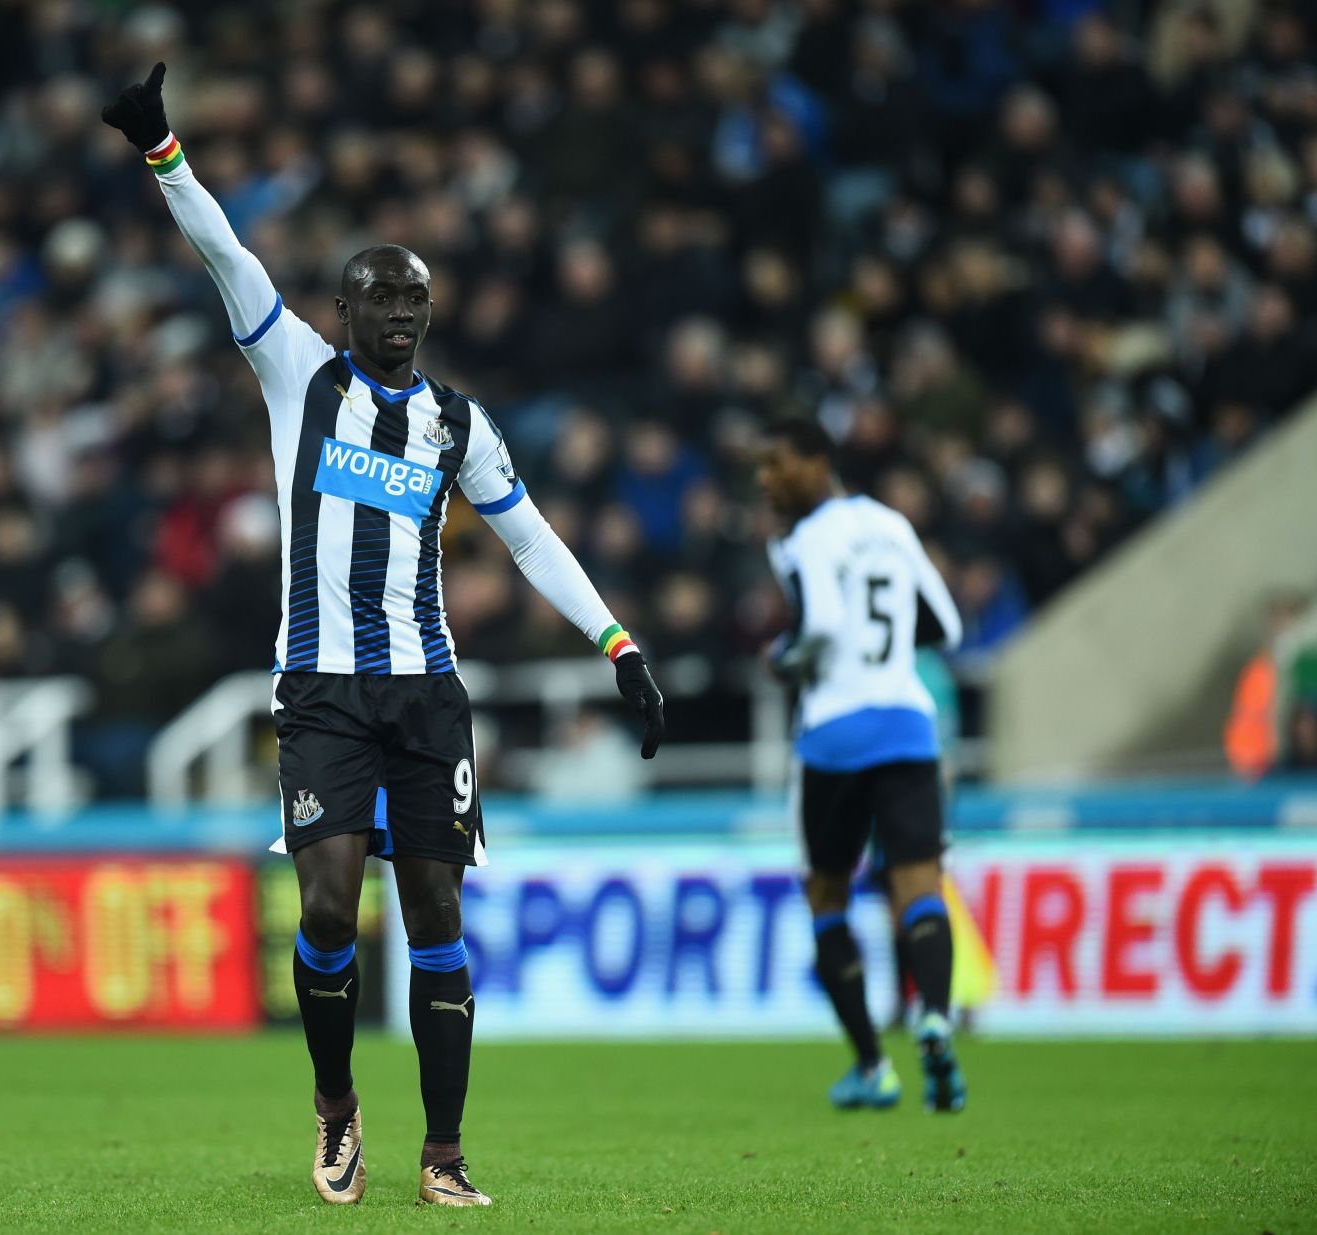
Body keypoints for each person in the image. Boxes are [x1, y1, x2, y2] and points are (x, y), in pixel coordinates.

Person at [104, 64, 666, 1207]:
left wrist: (617, 642)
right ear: (346, 310)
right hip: (319, 690)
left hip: (426, 697)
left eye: (416, 301)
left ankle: (445, 1152)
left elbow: (531, 538)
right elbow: (226, 254)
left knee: (439, 916)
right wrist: (163, 150)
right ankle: (335, 1108)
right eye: (383, 300)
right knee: (322, 905)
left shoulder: (459, 425)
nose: (403, 316)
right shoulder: (296, 371)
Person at [756, 418, 967, 1113]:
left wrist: (786, 656)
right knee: (919, 883)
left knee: (827, 893)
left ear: (820, 462)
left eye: (778, 462)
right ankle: (934, 1012)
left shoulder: (810, 537)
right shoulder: (891, 523)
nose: (766, 478)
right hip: (908, 723)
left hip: (835, 734)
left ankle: (874, 1065)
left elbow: (817, 624)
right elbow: (947, 625)